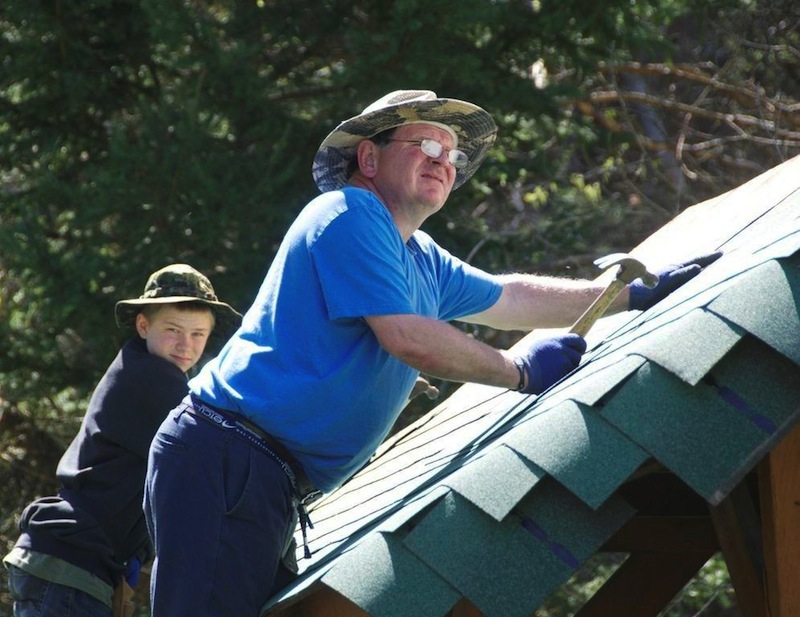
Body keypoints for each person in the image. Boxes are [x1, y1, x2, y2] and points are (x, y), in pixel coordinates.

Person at [143, 90, 720, 616]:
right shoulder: (348, 213)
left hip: (261, 473)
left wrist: (630, 294)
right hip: (226, 457)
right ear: (369, 158)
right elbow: (408, 337)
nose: (444, 159)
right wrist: (517, 370)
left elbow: (509, 296)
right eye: (423, 144)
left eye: (452, 153)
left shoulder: (417, 255)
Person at [3, 264, 241, 617]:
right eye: (173, 330)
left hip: (72, 566)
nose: (185, 345)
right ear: (143, 325)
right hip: (71, 568)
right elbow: (222, 447)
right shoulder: (151, 378)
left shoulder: (141, 370)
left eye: (198, 334)